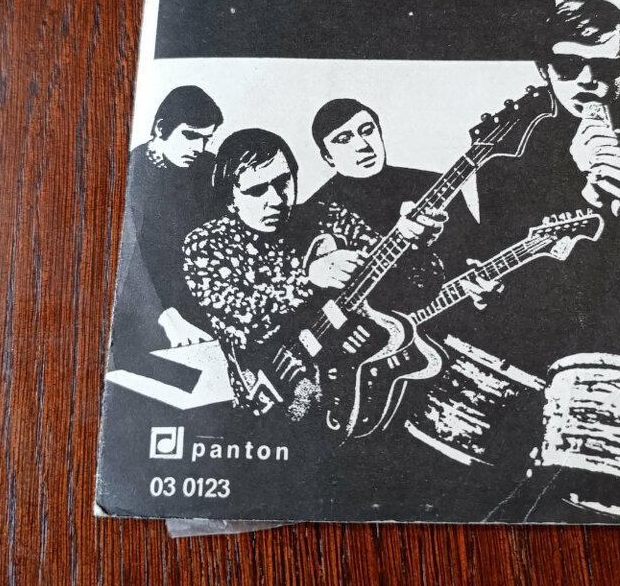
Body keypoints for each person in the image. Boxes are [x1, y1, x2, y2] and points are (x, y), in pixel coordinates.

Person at [182, 128, 448, 417]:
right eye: (257, 190)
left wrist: (414, 245)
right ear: (230, 199)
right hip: (268, 397)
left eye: (283, 182)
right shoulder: (206, 243)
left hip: (347, 385)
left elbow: (421, 289)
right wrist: (308, 279)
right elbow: (245, 321)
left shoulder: (328, 217)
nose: (276, 199)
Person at [474, 0, 620, 370]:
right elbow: (503, 259)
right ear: (545, 69)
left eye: (604, 67)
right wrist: (489, 286)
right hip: (544, 340)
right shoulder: (508, 149)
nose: (586, 79)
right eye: (568, 66)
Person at [111, 85, 222, 362]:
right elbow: (126, 263)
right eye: (190, 136)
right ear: (161, 129)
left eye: (206, 139)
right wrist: (163, 315)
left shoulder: (208, 167)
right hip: (148, 313)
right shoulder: (131, 173)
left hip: (201, 306)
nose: (198, 148)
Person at [307, 98, 475, 278]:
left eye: (367, 131)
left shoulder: (436, 184)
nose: (362, 145)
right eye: (344, 139)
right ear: (328, 157)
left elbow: (477, 253)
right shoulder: (312, 212)